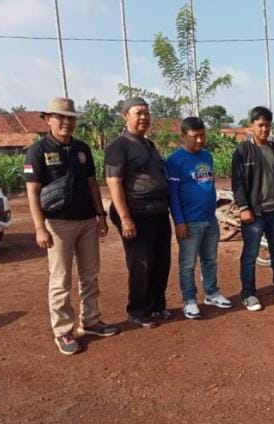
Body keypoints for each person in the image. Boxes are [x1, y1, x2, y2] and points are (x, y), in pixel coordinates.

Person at [24, 97, 119, 355]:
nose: (67, 122)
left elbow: (91, 184)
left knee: (90, 275)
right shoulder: (38, 151)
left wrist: (100, 215)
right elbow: (32, 192)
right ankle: (63, 332)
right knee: (61, 279)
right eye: (61, 117)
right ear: (48, 119)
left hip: (87, 221)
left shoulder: (82, 148)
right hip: (57, 225)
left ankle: (90, 321)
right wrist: (39, 228)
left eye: (71, 118)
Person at [104, 97, 171, 328]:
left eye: (146, 113)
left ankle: (157, 306)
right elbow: (114, 183)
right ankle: (138, 310)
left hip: (159, 213)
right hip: (136, 213)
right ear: (125, 115)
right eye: (138, 113)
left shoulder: (149, 145)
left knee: (162, 262)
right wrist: (125, 218)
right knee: (141, 264)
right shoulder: (118, 146)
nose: (143, 117)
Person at [231, 106, 274, 311]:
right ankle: (248, 294)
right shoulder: (243, 152)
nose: (264, 129)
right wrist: (244, 207)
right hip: (253, 211)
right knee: (250, 254)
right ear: (251, 126)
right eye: (260, 125)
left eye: (267, 125)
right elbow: (238, 183)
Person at [166, 117, 233, 319]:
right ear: (184, 136)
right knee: (188, 264)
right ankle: (189, 300)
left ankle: (212, 293)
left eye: (202, 135)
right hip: (189, 222)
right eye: (194, 137)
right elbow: (173, 194)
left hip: (210, 219)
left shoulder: (207, 156)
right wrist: (179, 221)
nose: (199, 140)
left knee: (210, 260)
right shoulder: (175, 160)